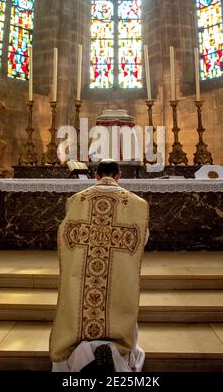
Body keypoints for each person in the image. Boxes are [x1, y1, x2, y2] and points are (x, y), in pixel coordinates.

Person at [50, 159, 149, 372]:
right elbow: (141, 238)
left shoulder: (77, 200)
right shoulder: (136, 204)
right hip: (117, 275)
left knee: (77, 305)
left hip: (84, 276)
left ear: (96, 175)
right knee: (119, 302)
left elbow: (65, 235)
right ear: (119, 175)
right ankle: (117, 352)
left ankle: (79, 354)